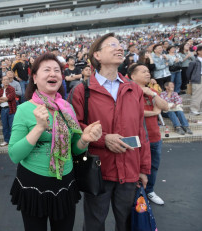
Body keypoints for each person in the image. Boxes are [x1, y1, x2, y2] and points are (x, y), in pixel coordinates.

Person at [8, 53, 102, 231]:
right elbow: (14, 154)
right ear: (35, 78)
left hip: (66, 183)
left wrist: (84, 139)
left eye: (57, 70)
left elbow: (75, 150)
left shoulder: (67, 108)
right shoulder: (24, 109)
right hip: (33, 185)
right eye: (47, 70)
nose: (53, 74)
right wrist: (38, 128)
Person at [69, 33, 151, 231]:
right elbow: (75, 129)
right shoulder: (82, 91)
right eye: (112, 45)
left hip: (130, 170)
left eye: (120, 44)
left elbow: (141, 131)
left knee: (127, 224)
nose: (119, 48)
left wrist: (143, 168)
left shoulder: (134, 89)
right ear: (97, 55)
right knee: (94, 224)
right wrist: (104, 139)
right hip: (99, 172)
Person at [128, 63, 169, 205]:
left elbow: (165, 106)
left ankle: (149, 191)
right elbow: (133, 112)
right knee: (135, 166)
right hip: (136, 138)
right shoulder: (129, 91)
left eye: (148, 71)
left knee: (153, 166)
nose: (148, 73)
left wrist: (151, 94)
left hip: (154, 136)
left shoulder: (152, 91)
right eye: (143, 71)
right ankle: (135, 193)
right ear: (133, 76)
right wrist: (154, 113)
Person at [0, 76, 16, 147]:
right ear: (2, 81)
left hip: (10, 109)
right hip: (3, 110)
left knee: (12, 126)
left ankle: (13, 141)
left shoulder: (12, 89)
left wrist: (5, 99)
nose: (6, 81)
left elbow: (11, 97)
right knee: (5, 126)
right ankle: (6, 140)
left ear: (9, 81)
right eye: (4, 80)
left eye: (7, 79)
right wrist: (4, 99)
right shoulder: (0, 90)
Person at [186, 45, 202, 116]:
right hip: (198, 78)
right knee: (196, 94)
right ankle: (194, 110)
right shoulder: (194, 61)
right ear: (198, 51)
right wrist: (191, 79)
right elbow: (189, 72)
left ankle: (200, 109)